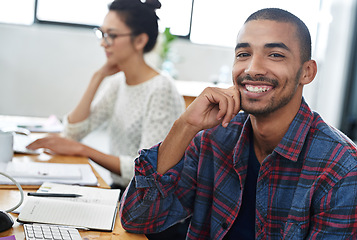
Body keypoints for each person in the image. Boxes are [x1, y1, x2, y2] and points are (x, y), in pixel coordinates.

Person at [119, 8, 357, 240]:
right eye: (243, 54)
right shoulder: (213, 138)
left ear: (306, 72)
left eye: (275, 55)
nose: (253, 69)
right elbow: (137, 218)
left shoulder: (342, 169)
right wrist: (185, 125)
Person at [27, 0, 185, 191]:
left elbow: (147, 170)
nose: (103, 43)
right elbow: (72, 134)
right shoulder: (118, 83)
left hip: (145, 202)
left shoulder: (161, 89)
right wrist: (97, 77)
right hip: (123, 192)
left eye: (111, 35)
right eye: (102, 34)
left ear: (140, 41)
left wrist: (84, 150)